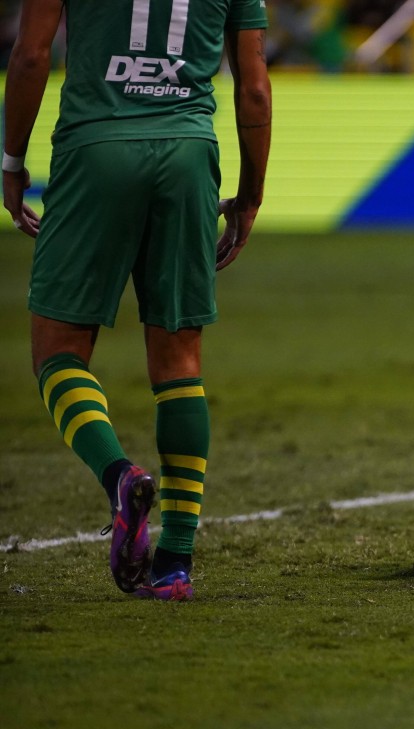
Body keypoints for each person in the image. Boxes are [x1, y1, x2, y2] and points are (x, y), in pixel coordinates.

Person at [3, 0, 272, 600]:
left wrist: (11, 162)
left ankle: (120, 474)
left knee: (57, 353)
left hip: (95, 148)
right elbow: (253, 89)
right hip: (186, 153)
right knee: (179, 365)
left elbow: (29, 57)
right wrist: (250, 195)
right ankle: (175, 564)